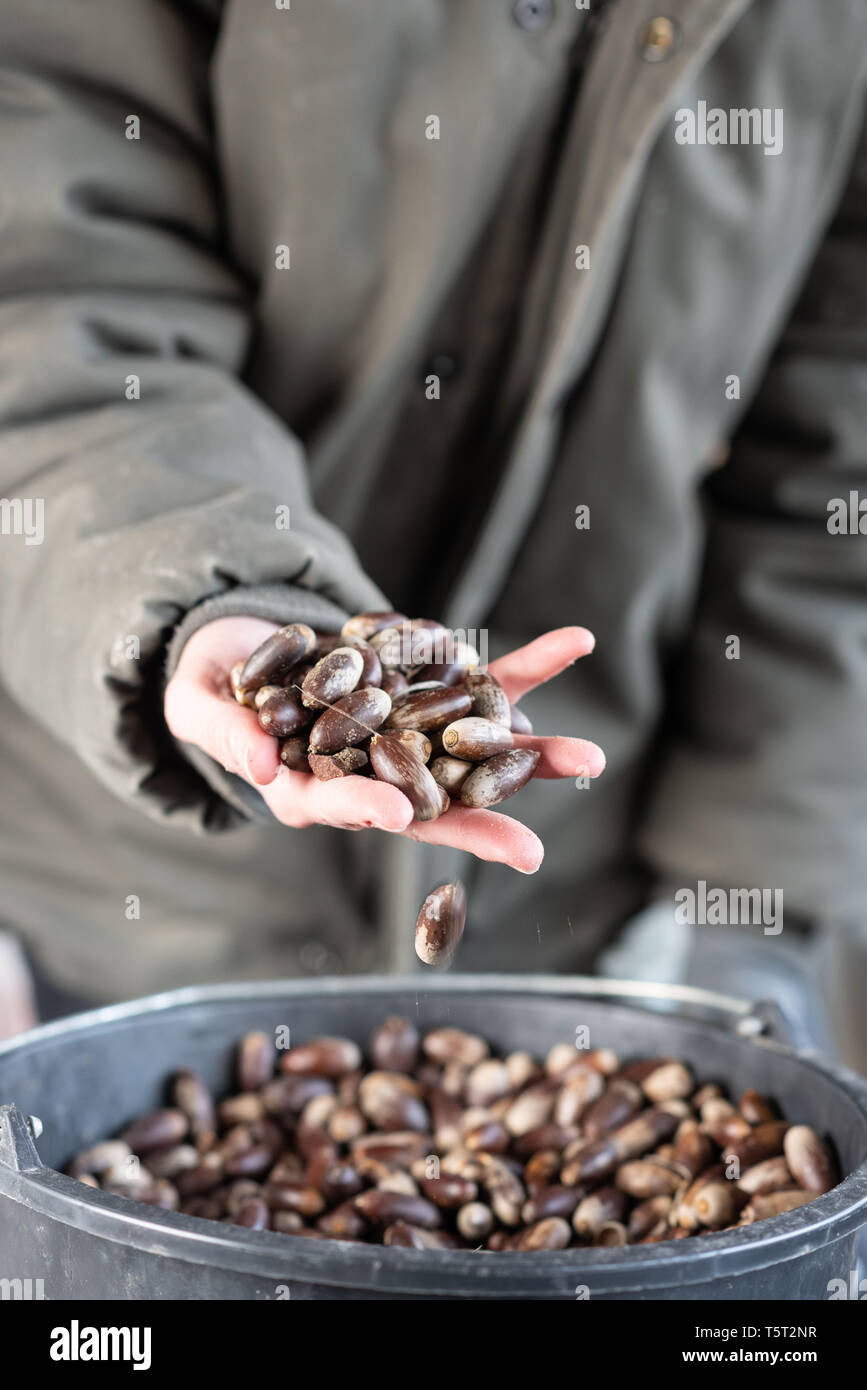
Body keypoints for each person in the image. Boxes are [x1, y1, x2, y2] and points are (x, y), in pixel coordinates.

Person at [1, 2, 866, 1067]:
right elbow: (51, 292)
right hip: (154, 862)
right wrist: (209, 594)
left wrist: (759, 885)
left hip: (576, 874)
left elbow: (834, 450)